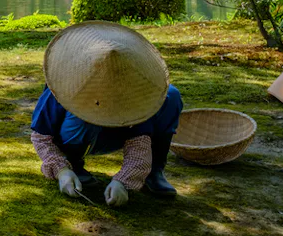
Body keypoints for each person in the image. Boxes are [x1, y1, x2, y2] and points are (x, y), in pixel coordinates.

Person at [30, 22, 182, 207]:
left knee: (170, 95)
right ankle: (74, 164)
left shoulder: (134, 94)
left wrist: (124, 181)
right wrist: (61, 170)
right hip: (77, 135)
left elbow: (139, 142)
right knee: (84, 116)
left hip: (115, 134)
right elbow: (41, 136)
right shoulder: (64, 89)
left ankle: (153, 172)